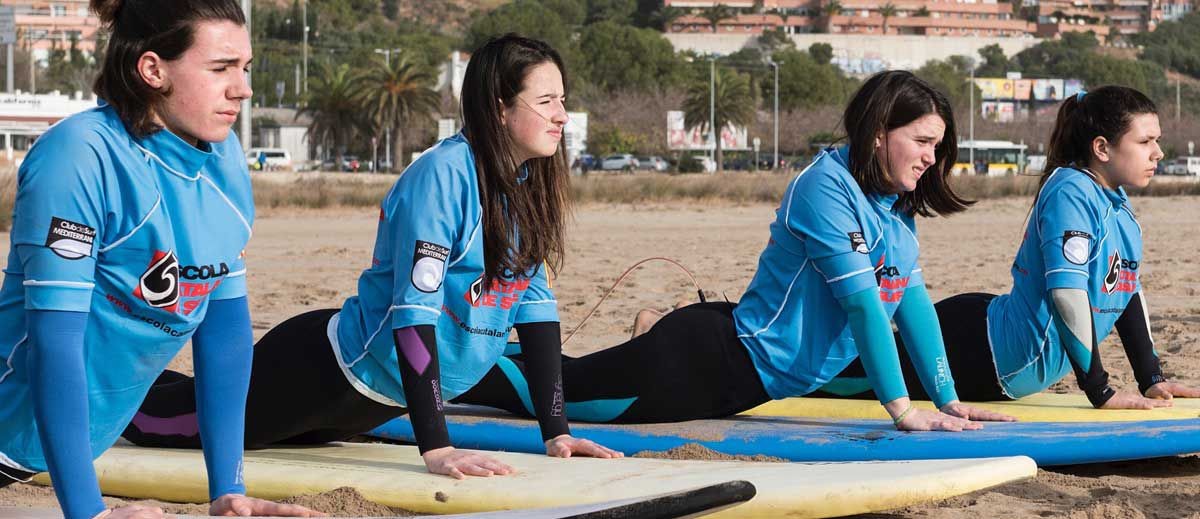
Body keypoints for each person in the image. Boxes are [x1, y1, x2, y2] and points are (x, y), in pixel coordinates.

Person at [124, 34, 622, 479]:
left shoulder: (525, 188)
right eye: (546, 100)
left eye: (562, 100)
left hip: (375, 403)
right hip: (323, 373)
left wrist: (556, 431)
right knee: (165, 425)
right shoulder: (444, 178)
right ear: (499, 108)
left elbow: (535, 313)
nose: (561, 114)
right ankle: (90, 382)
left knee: (210, 413)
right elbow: (413, 315)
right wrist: (437, 447)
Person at [454, 71, 1013, 431]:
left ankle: (469, 352)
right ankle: (440, 362)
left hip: (734, 364)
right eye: (921, 142)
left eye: (937, 146)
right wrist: (901, 410)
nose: (930, 158)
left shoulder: (892, 206)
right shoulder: (827, 187)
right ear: (876, 134)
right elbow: (864, 306)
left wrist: (946, 398)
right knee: (556, 392)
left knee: (573, 377)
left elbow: (911, 304)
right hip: (705, 367)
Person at [0, 1, 318, 518]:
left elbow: (224, 336)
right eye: (220, 69)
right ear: (152, 70)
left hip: (42, 449)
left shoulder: (227, 161)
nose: (243, 88)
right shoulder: (80, 157)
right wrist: (89, 513)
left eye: (245, 68)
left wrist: (227, 491)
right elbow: (53, 345)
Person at [814, 86, 1200, 408]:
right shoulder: (1072, 190)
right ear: (1102, 147)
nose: (1158, 153)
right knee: (835, 379)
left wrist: (1152, 377)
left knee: (851, 372)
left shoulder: (1114, 203)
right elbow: (1066, 293)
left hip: (994, 346)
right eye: (1145, 141)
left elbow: (1125, 288)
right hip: (980, 351)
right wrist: (1100, 391)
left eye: (1158, 141)